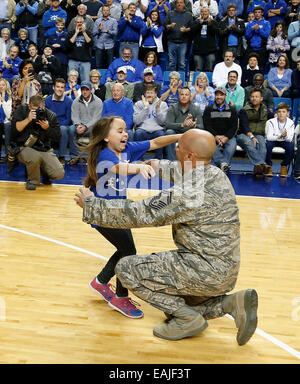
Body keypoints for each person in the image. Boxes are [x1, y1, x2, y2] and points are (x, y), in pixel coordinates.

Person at [75, 128, 258, 345]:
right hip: (223, 269)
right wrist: (156, 165)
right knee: (179, 296)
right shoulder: (215, 174)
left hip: (202, 270)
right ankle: (230, 304)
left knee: (126, 268)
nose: (175, 149)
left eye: (179, 147)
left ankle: (187, 319)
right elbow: (182, 170)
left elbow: (140, 214)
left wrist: (92, 205)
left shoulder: (188, 193)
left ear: (189, 156)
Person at [75, 116, 182, 319]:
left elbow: (156, 142)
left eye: (126, 130)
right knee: (128, 251)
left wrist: (181, 136)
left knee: (125, 249)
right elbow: (118, 168)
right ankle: (120, 297)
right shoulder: (104, 154)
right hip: (102, 212)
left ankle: (100, 281)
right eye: (120, 130)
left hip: (119, 211)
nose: (125, 134)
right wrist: (140, 167)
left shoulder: (127, 149)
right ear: (106, 137)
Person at [11, 94, 64, 190]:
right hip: (25, 147)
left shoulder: (51, 116)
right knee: (34, 157)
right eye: (33, 110)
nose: (36, 112)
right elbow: (15, 129)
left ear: (43, 106)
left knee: (58, 173)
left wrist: (47, 128)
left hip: (44, 149)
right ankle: (32, 180)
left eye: (39, 109)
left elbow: (58, 137)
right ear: (29, 106)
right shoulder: (22, 110)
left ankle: (44, 172)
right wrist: (28, 119)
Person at [237, 87, 273, 176]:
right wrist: (252, 137)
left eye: (256, 97)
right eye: (252, 96)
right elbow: (244, 126)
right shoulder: (244, 110)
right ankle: (263, 164)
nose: (254, 98)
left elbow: (274, 118)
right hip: (243, 135)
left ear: (261, 98)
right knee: (250, 143)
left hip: (259, 134)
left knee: (262, 147)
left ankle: (258, 170)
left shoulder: (265, 109)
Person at [203, 86, 238, 173]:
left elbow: (234, 126)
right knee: (211, 146)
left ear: (225, 96)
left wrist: (226, 137)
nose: (219, 97)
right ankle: (223, 165)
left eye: (221, 95)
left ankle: (221, 167)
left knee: (232, 146)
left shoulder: (232, 109)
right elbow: (207, 125)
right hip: (212, 136)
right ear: (215, 96)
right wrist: (215, 136)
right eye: (217, 95)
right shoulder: (209, 109)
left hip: (228, 136)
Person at [45, 77, 78, 165]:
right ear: (53, 87)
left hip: (63, 126)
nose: (60, 89)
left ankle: (62, 156)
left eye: (62, 87)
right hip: (50, 126)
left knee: (64, 129)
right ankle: (49, 155)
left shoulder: (69, 101)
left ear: (64, 89)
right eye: (58, 87)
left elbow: (68, 119)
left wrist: (57, 126)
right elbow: (46, 117)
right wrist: (53, 126)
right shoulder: (47, 101)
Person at [165, 86, 203, 160]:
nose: (184, 97)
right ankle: (172, 162)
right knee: (169, 132)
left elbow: (201, 126)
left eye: (186, 95)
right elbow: (168, 124)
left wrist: (194, 126)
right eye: (182, 94)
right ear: (179, 96)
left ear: (190, 96)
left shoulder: (196, 109)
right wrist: (182, 124)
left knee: (199, 134)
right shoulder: (172, 108)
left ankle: (195, 163)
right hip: (176, 134)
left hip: (190, 134)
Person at [133, 84, 168, 159]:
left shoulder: (163, 104)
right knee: (138, 133)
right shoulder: (139, 104)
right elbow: (136, 121)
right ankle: (139, 159)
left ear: (155, 94)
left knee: (161, 134)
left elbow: (163, 122)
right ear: (145, 94)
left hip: (157, 130)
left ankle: (158, 159)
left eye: (152, 93)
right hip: (143, 130)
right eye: (148, 93)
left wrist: (158, 109)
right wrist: (145, 108)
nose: (149, 95)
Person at [264, 102, 295, 177]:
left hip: (284, 140)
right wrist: (280, 136)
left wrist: (285, 136)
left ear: (288, 113)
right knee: (268, 146)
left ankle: (284, 166)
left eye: (284, 112)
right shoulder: (271, 122)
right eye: (279, 112)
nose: (281, 114)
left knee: (291, 147)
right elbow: (269, 137)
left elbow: (290, 139)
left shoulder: (291, 123)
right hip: (273, 140)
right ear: (276, 113)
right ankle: (268, 165)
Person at [71, 80, 103, 150]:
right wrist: (78, 125)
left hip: (91, 126)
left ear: (91, 90)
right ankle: (74, 154)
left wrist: (86, 126)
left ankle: (91, 154)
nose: (85, 92)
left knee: (96, 129)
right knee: (71, 129)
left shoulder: (98, 101)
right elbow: (75, 116)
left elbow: (96, 118)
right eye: (83, 89)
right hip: (79, 126)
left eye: (87, 89)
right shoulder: (75, 101)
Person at [163, 0, 193, 72]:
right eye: (178, 3)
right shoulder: (170, 14)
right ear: (175, 4)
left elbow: (192, 27)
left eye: (181, 2)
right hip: (171, 42)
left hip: (183, 42)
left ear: (184, 4)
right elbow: (165, 26)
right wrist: (169, 26)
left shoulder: (189, 14)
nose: (179, 4)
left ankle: (181, 81)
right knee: (171, 63)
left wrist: (186, 30)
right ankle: (171, 81)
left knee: (181, 64)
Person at [190, 6, 218, 73]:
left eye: (205, 11)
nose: (204, 13)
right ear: (200, 13)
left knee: (210, 70)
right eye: (202, 11)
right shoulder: (196, 22)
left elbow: (216, 32)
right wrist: (199, 24)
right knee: (198, 70)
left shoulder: (213, 22)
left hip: (210, 51)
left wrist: (210, 24)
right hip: (198, 51)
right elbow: (192, 31)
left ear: (209, 12)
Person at [67, 15, 93, 83]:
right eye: (78, 22)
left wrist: (84, 32)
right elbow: (69, 45)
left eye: (81, 22)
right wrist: (76, 33)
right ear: (75, 23)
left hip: (85, 61)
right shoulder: (71, 33)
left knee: (86, 82)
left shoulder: (88, 33)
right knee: (71, 81)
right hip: (73, 60)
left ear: (83, 23)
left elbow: (90, 44)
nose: (79, 24)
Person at [244, 5, 271, 70]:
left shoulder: (266, 23)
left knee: (261, 67)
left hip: (261, 49)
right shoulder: (250, 24)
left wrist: (259, 29)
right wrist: (252, 30)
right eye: (255, 12)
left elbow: (267, 36)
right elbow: (246, 36)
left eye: (259, 12)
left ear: (262, 13)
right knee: (249, 67)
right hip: (251, 49)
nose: (257, 14)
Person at [93, 4, 118, 70]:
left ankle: (109, 79)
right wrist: (99, 29)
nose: (105, 12)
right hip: (99, 45)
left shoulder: (113, 21)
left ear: (109, 11)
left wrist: (108, 31)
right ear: (102, 11)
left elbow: (115, 33)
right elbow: (93, 33)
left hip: (110, 45)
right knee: (98, 66)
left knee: (110, 66)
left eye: (107, 10)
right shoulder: (98, 21)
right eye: (104, 10)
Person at [0, 78, 12, 162]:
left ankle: (8, 154)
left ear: (6, 86)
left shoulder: (10, 97)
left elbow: (8, 115)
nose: (1, 87)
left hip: (6, 121)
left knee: (7, 125)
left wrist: (3, 100)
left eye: (3, 85)